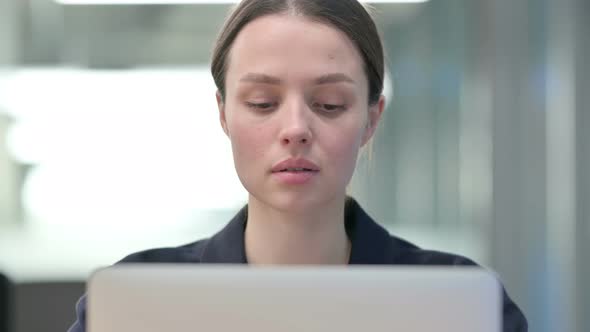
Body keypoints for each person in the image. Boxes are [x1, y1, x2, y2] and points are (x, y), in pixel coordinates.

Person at [68, 0, 528, 331]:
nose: (296, 128)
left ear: (371, 119)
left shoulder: (463, 304)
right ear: (224, 113)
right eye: (263, 102)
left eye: (328, 104)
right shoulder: (135, 303)